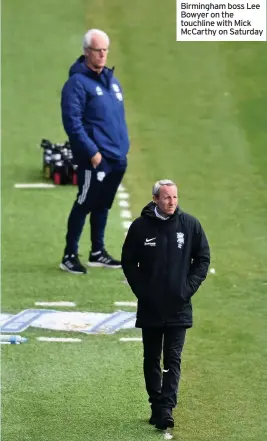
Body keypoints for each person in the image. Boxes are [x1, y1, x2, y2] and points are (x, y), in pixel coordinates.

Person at [121, 179, 210, 430]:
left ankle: (167, 408)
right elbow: (128, 262)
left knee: (172, 359)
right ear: (155, 200)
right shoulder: (140, 227)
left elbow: (203, 259)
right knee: (151, 358)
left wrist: (187, 288)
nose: (172, 202)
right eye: (167, 198)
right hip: (151, 307)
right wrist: (142, 291)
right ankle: (156, 404)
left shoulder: (190, 225)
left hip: (178, 306)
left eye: (175, 197)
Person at [60, 29, 130, 274]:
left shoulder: (112, 81)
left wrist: (123, 148)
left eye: (105, 50)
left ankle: (97, 252)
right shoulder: (77, 84)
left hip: (117, 157)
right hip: (96, 158)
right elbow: (73, 122)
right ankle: (69, 255)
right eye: (97, 50)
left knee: (103, 204)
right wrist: (92, 152)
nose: (102, 55)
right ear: (86, 52)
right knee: (85, 202)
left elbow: (116, 119)